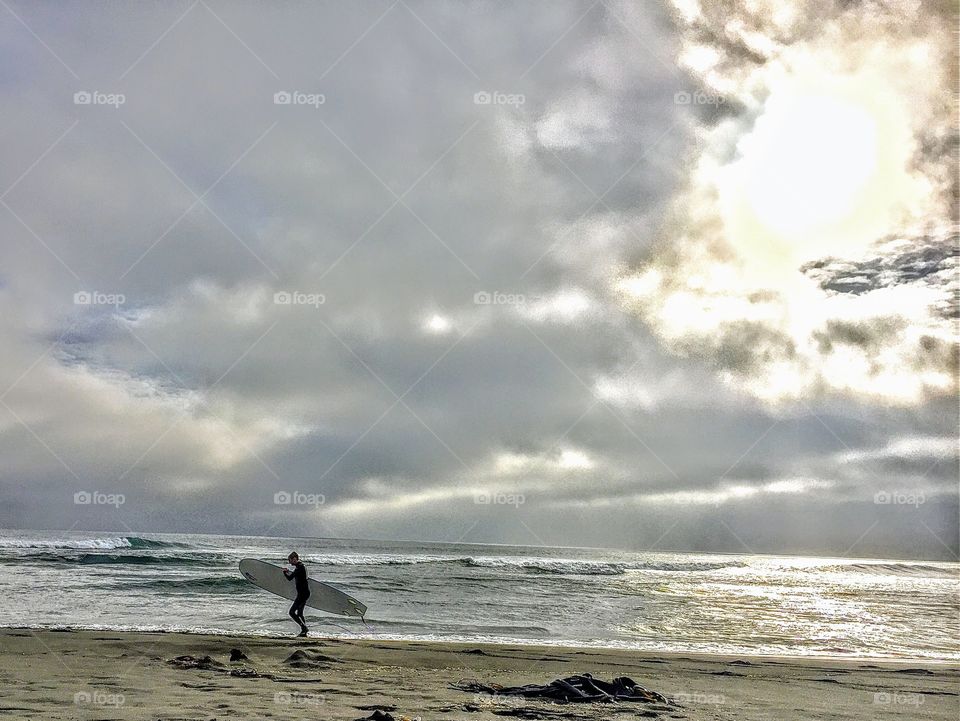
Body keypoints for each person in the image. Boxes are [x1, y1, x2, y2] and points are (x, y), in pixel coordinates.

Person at [283, 552, 310, 637]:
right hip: (304, 593)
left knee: (291, 612)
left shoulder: (299, 568)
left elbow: (290, 578)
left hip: (302, 594)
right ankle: (304, 631)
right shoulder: (302, 566)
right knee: (300, 613)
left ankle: (304, 628)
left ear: (294, 558)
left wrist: (284, 573)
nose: (290, 562)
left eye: (290, 560)